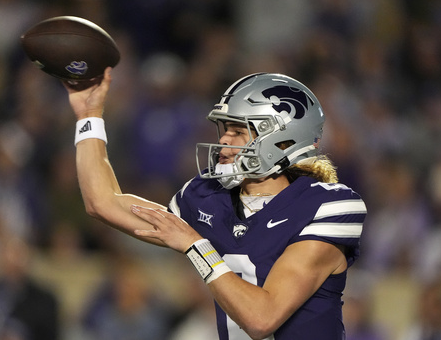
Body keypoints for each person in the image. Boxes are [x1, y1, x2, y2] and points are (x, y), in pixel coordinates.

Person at [64, 68, 366, 340]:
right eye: (223, 130)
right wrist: (89, 115)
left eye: (237, 131)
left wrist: (195, 246)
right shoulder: (208, 195)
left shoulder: (329, 205)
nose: (224, 142)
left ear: (283, 140)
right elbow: (102, 203)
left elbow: (262, 319)